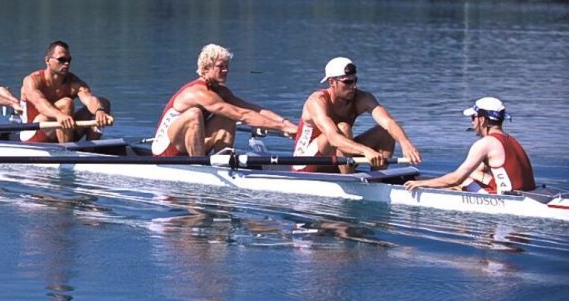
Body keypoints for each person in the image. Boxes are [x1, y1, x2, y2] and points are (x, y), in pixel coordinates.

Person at [152, 43, 297, 157]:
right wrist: (282, 128)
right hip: (166, 151)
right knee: (194, 114)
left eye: (227, 66)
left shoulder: (221, 91)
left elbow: (254, 110)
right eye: (221, 67)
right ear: (205, 68)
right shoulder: (197, 92)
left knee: (228, 117)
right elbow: (243, 116)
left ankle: (224, 161)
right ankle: (199, 166)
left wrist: (286, 123)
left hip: (191, 144)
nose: (226, 70)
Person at [293, 56, 421, 173]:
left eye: (355, 80)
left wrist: (405, 143)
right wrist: (366, 151)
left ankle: (379, 180)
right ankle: (349, 181)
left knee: (385, 133)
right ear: (332, 82)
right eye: (348, 82)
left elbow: (388, 122)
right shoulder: (317, 101)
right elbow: (333, 138)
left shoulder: (362, 98)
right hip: (307, 163)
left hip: (340, 158)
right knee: (343, 128)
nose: (354, 86)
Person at [405, 97, 535, 194]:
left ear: (482, 120)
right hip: (525, 191)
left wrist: (421, 183)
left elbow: (456, 178)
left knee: (462, 182)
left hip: (507, 198)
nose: (472, 123)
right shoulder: (511, 140)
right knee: (470, 174)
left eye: (473, 118)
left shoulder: (485, 144)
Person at [19, 40, 112, 143]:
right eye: (61, 59)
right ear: (47, 60)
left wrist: (99, 111)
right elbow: (40, 104)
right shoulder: (32, 80)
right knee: (66, 103)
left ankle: (92, 148)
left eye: (69, 60)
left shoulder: (73, 82)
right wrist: (58, 115)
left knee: (103, 103)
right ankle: (67, 151)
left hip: (65, 128)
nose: (66, 63)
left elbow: (89, 98)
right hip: (34, 134)